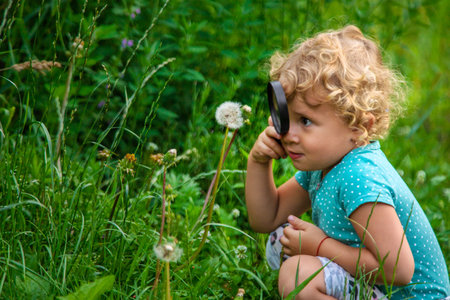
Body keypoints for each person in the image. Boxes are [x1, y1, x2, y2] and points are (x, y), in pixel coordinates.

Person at [245, 25, 449, 299]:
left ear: (359, 127)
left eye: (305, 121)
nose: (288, 134)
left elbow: (399, 270)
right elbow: (267, 217)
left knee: (299, 274)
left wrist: (320, 246)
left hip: (411, 295)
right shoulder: (324, 164)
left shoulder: (359, 177)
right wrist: (258, 161)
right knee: (279, 237)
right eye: (287, 117)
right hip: (378, 285)